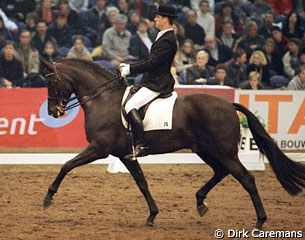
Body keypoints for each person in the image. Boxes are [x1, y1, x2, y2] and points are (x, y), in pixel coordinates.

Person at [118, 4, 178, 159]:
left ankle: (141, 144)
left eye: (157, 17)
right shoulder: (162, 35)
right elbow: (150, 60)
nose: (155, 19)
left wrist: (130, 70)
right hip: (151, 80)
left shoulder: (167, 39)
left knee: (130, 105)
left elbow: (153, 64)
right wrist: (130, 65)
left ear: (165, 19)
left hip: (158, 82)